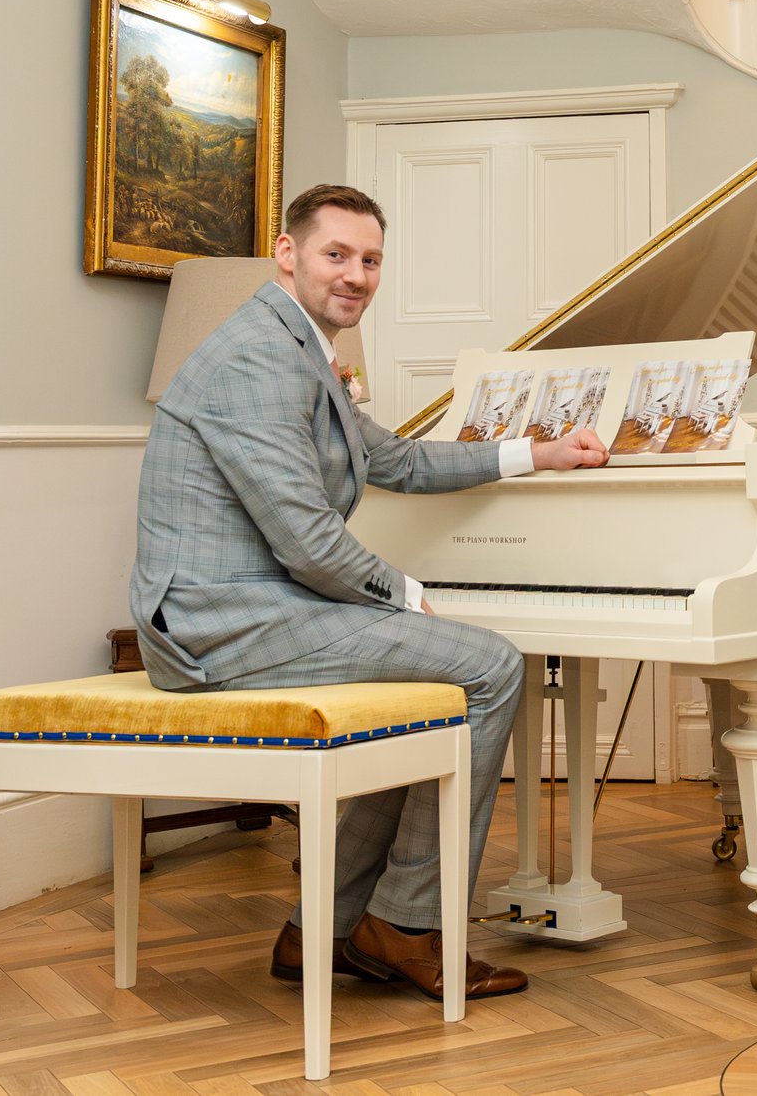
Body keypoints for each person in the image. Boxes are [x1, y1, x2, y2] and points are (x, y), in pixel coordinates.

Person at [131, 184, 608, 996]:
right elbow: (306, 539)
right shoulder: (256, 356)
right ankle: (407, 925)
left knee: (431, 685)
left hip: (264, 608)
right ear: (289, 254)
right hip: (218, 625)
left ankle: (325, 928)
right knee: (488, 665)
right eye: (336, 254)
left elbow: (396, 460)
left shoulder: (300, 345)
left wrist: (538, 451)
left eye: (371, 259)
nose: (356, 275)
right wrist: (402, 589)